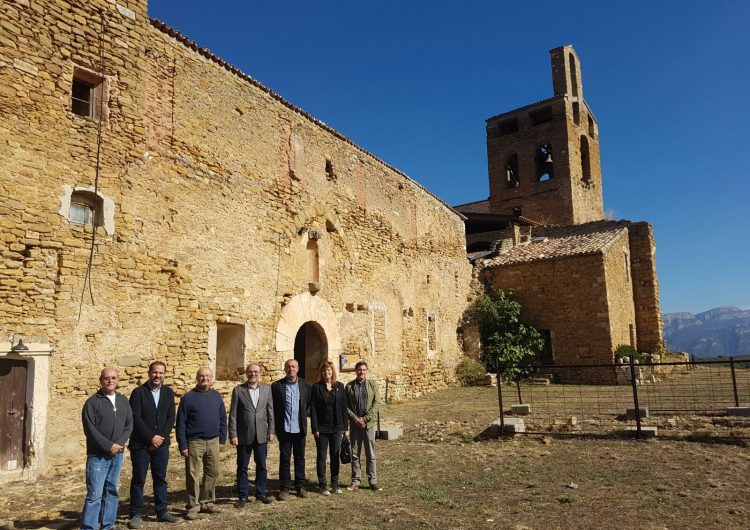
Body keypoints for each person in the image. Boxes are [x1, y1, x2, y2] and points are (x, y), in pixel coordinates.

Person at [80, 368, 133, 530]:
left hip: (117, 454)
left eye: (113, 378)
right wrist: (108, 446)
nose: (110, 381)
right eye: (106, 378)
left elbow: (129, 424)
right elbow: (90, 430)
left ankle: (108, 525)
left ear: (118, 380)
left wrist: (120, 444)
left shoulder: (123, 400)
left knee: (112, 491)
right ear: (101, 380)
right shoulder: (92, 402)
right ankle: (89, 527)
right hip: (98, 456)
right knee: (94, 495)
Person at [128, 361, 177, 528]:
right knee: (138, 480)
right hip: (141, 445)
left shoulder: (168, 393)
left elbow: (171, 417)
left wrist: (159, 439)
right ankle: (135, 514)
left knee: (160, 479)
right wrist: (151, 438)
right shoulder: (138, 393)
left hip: (161, 445)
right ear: (149, 373)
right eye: (155, 372)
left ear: (165, 375)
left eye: (161, 373)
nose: (158, 376)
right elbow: (136, 418)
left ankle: (162, 511)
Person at [176, 367, 227, 520]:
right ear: (197, 378)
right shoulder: (188, 398)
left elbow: (223, 419)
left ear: (212, 378)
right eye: (202, 376)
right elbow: (181, 424)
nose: (205, 378)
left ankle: (207, 503)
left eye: (208, 376)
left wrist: (222, 439)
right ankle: (193, 506)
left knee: (212, 473)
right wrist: (183, 445)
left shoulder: (217, 396)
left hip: (213, 441)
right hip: (194, 442)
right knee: (193, 475)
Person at [229, 363, 275, 506]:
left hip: (261, 434)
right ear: (246, 374)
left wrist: (271, 431)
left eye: (255, 372)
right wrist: (233, 434)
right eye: (250, 372)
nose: (253, 374)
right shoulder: (238, 390)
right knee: (242, 466)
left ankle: (261, 493)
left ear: (260, 373)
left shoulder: (267, 389)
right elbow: (233, 415)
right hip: (243, 435)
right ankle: (242, 495)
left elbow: (270, 411)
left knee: (261, 465)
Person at [271, 359, 312, 500]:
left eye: (293, 366)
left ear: (298, 368)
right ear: (284, 369)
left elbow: (309, 404)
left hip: (300, 428)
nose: (291, 369)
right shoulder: (277, 386)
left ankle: (300, 486)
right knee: (285, 459)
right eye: (288, 367)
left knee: (300, 458)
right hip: (285, 429)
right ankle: (285, 488)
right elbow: (274, 409)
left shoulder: (306, 385)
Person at [310, 361, 348, 495]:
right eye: (324, 371)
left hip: (337, 427)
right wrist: (315, 428)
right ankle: (322, 485)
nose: (327, 373)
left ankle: (335, 484)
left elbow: (344, 407)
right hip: (322, 428)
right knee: (321, 457)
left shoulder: (340, 387)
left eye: (329, 370)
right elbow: (313, 408)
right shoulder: (316, 387)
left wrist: (344, 427)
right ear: (321, 373)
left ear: (333, 372)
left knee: (335, 455)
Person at [345, 361, 382, 491]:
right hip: (355, 425)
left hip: (368, 425)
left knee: (370, 453)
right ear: (355, 371)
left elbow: (377, 403)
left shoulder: (373, 385)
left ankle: (373, 481)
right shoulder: (349, 387)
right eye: (359, 370)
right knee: (355, 454)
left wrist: (365, 419)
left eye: (364, 370)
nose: (362, 372)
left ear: (367, 371)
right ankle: (355, 481)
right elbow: (346, 406)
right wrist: (356, 419)